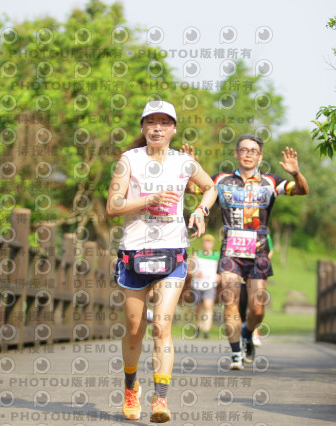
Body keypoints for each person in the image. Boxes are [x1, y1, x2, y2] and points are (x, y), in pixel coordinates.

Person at [106, 100, 216, 422]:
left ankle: (161, 400)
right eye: (151, 122)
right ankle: (131, 388)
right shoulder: (129, 160)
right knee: (135, 329)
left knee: (161, 326)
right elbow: (112, 205)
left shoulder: (184, 162)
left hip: (173, 252)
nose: (157, 128)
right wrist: (148, 200)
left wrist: (201, 210)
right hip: (134, 253)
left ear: (174, 129)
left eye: (164, 122)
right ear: (143, 127)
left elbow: (210, 187)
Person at [214, 134, 308, 370]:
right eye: (243, 150)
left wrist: (296, 173)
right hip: (231, 251)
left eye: (253, 151)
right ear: (236, 153)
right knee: (229, 300)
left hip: (260, 252)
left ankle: (247, 333)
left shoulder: (270, 181)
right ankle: (236, 353)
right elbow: (194, 189)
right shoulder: (221, 180)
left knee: (257, 309)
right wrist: (191, 169)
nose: (248, 154)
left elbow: (302, 190)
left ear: (260, 156)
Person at [237, 234, 274, 347]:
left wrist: (261, 264)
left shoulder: (264, 234)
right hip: (240, 277)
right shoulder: (238, 232)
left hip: (255, 274)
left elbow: (270, 251)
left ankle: (254, 333)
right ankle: (243, 335)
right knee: (241, 307)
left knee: (255, 308)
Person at [190, 234, 220, 339]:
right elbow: (190, 268)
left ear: (212, 243)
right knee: (198, 307)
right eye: (206, 241)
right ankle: (198, 326)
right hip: (197, 284)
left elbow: (220, 269)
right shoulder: (196, 254)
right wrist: (195, 273)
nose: (207, 243)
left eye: (209, 241)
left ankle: (206, 330)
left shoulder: (217, 256)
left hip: (210, 284)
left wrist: (219, 276)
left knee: (208, 306)